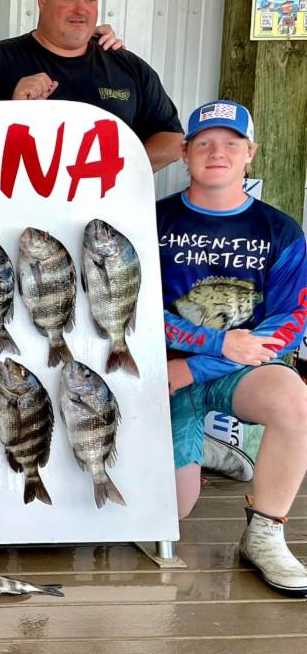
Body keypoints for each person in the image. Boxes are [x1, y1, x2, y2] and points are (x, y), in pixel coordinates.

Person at [160, 101, 307, 597]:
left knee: (294, 398)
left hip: (234, 370)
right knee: (174, 510)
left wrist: (202, 364)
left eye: (230, 143)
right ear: (185, 153)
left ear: (251, 153)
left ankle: (266, 533)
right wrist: (216, 341)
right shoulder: (152, 219)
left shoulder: (280, 229)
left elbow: (292, 320)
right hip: (164, 370)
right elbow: (134, 308)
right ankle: (209, 451)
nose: (216, 152)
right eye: (203, 143)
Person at [0, 0, 183, 172]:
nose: (81, 9)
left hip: (106, 201)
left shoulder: (129, 67)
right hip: (19, 202)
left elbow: (172, 139)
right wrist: (13, 113)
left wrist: (114, 169)